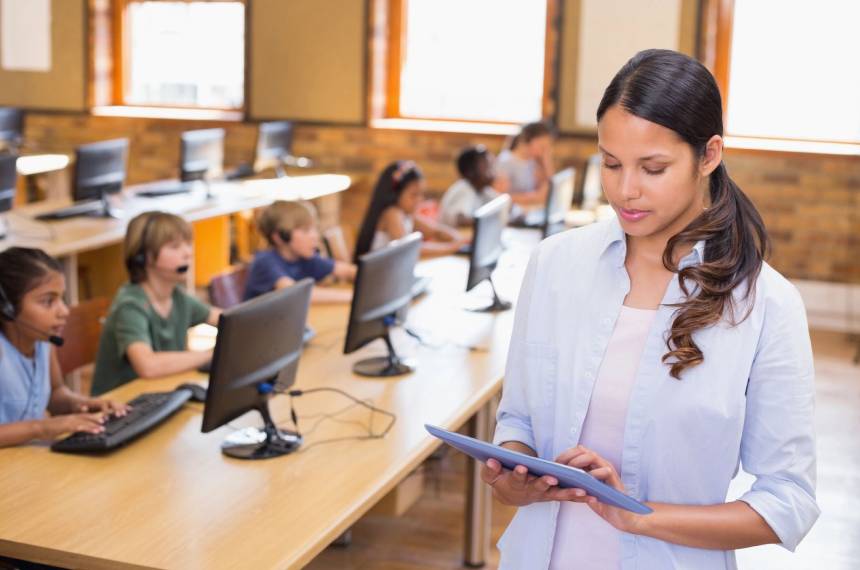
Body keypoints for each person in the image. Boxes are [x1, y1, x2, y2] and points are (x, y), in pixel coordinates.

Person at [482, 49, 818, 569]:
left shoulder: (765, 306)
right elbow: (519, 421)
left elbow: (786, 502)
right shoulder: (555, 265)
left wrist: (639, 515)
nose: (625, 189)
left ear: (709, 156)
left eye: (653, 168)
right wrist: (517, 477)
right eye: (610, 163)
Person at [0, 247, 128, 447]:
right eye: (48, 301)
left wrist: (81, 404)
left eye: (62, 298)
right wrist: (43, 427)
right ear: (7, 309)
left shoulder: (43, 340)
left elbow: (56, 393)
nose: (64, 311)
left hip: (28, 460)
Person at [91, 211, 221, 395]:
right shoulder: (130, 305)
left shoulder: (178, 297)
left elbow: (228, 320)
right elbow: (148, 366)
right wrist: (212, 354)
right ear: (143, 257)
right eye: (175, 246)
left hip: (160, 394)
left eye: (187, 244)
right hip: (121, 406)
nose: (188, 253)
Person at [244, 200, 356, 303]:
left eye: (315, 229)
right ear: (281, 237)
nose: (315, 236)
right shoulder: (265, 262)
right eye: (306, 230)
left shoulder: (305, 257)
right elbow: (297, 294)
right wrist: (353, 296)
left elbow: (347, 270)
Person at [353, 161, 467, 260]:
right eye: (413, 195)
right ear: (394, 195)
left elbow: (436, 231)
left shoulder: (407, 213)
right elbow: (410, 249)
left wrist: (459, 239)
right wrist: (451, 248)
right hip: (379, 276)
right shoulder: (392, 213)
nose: (419, 200)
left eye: (421, 194)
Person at [438, 145, 507, 227]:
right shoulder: (464, 189)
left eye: (491, 167)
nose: (492, 173)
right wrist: (494, 221)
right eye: (487, 167)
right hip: (453, 237)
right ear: (471, 172)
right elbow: (461, 220)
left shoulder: (483, 189)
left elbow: (501, 204)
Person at [496, 121, 554, 208]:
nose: (543, 152)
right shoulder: (506, 162)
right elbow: (499, 198)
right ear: (530, 142)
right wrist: (534, 198)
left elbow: (550, 185)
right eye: (542, 147)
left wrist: (546, 161)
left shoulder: (531, 161)